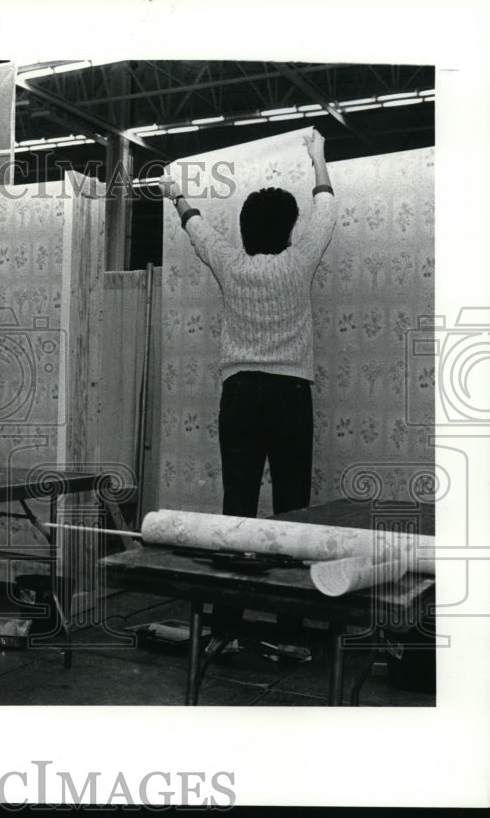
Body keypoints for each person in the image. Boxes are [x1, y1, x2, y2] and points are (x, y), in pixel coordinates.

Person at [160, 128, 336, 656]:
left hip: (239, 395)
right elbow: (325, 210)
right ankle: (290, 631)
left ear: (244, 231)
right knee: (293, 510)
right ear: (287, 231)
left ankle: (226, 627)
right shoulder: (297, 262)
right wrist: (318, 157)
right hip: (289, 396)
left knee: (236, 507)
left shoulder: (232, 265)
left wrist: (175, 192)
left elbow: (197, 229)